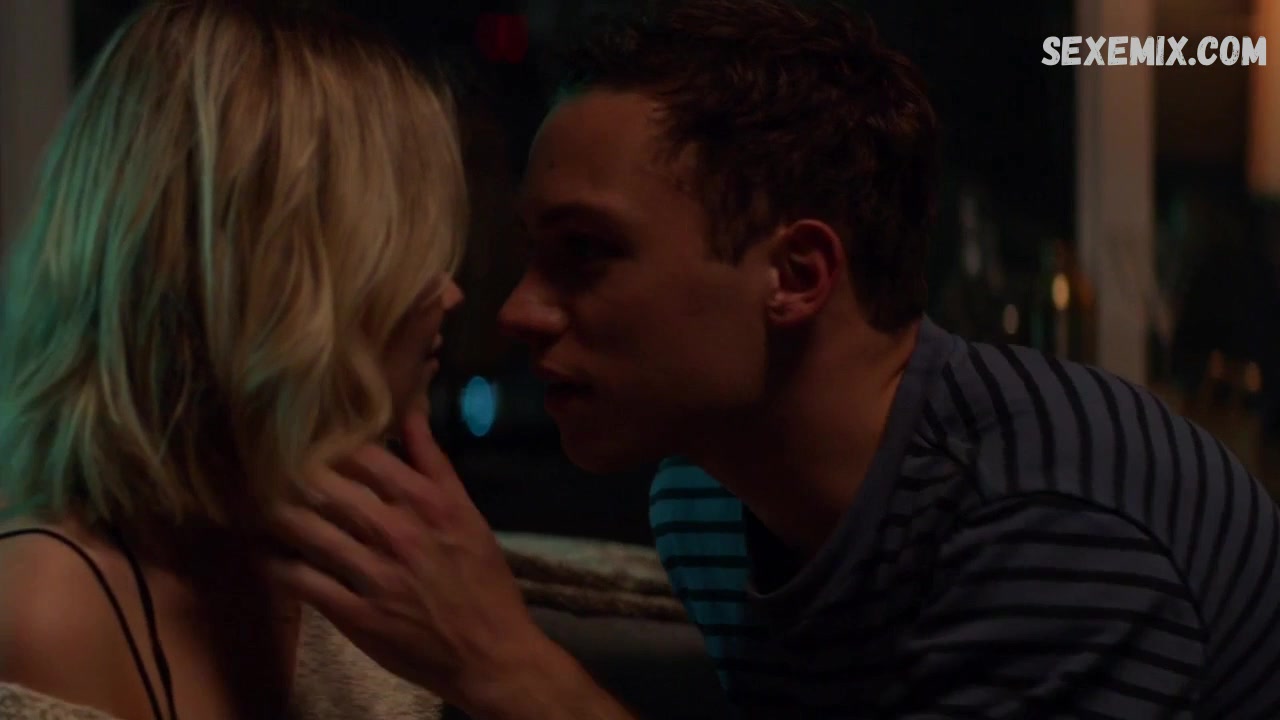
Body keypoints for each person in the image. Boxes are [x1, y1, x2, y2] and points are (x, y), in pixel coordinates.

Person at [272, 0, 1280, 718]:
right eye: (533, 252)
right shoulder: (702, 503)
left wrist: (509, 669)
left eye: (586, 253)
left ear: (796, 275)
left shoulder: (1051, 525)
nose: (520, 310)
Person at [0, 1, 467, 718]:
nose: (451, 293)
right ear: (286, 283)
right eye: (409, 245)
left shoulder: (367, 583)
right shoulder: (45, 616)